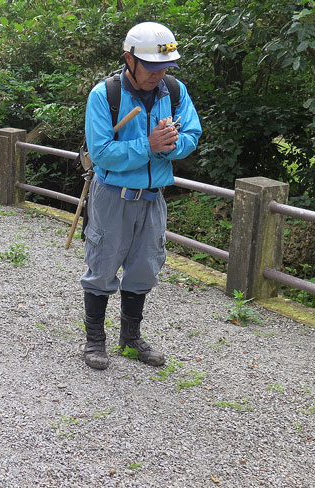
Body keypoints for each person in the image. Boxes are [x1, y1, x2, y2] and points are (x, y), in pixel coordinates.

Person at [79, 22, 202, 370]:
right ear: (129, 59)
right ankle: (95, 340)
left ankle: (130, 337)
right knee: (102, 264)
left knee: (145, 266)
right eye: (151, 66)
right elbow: (101, 152)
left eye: (165, 67)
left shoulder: (174, 92)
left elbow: (192, 132)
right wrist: (148, 146)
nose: (158, 74)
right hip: (112, 196)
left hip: (153, 197)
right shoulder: (105, 95)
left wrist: (171, 145)